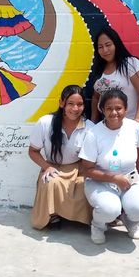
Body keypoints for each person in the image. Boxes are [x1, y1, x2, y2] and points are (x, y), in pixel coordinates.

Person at [79, 88, 139, 243]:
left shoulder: (134, 128)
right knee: (109, 209)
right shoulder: (93, 134)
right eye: (109, 108)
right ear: (102, 110)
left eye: (118, 108)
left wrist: (136, 178)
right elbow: (87, 170)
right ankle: (98, 226)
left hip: (130, 178)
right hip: (100, 181)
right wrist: (114, 178)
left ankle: (131, 223)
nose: (114, 113)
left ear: (126, 109)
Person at [28, 84, 92, 230]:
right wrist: (47, 167)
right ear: (61, 103)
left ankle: (78, 217)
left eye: (80, 104)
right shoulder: (45, 123)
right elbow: (33, 151)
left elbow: (90, 158)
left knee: (86, 185)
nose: (75, 108)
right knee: (51, 181)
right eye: (70, 103)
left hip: (78, 169)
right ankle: (53, 214)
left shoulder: (89, 127)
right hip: (52, 166)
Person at [90, 26, 139, 127]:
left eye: (108, 45)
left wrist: (138, 119)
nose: (105, 50)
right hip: (108, 123)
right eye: (100, 47)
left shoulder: (131, 64)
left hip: (131, 121)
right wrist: (93, 121)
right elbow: (96, 97)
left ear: (116, 44)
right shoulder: (99, 69)